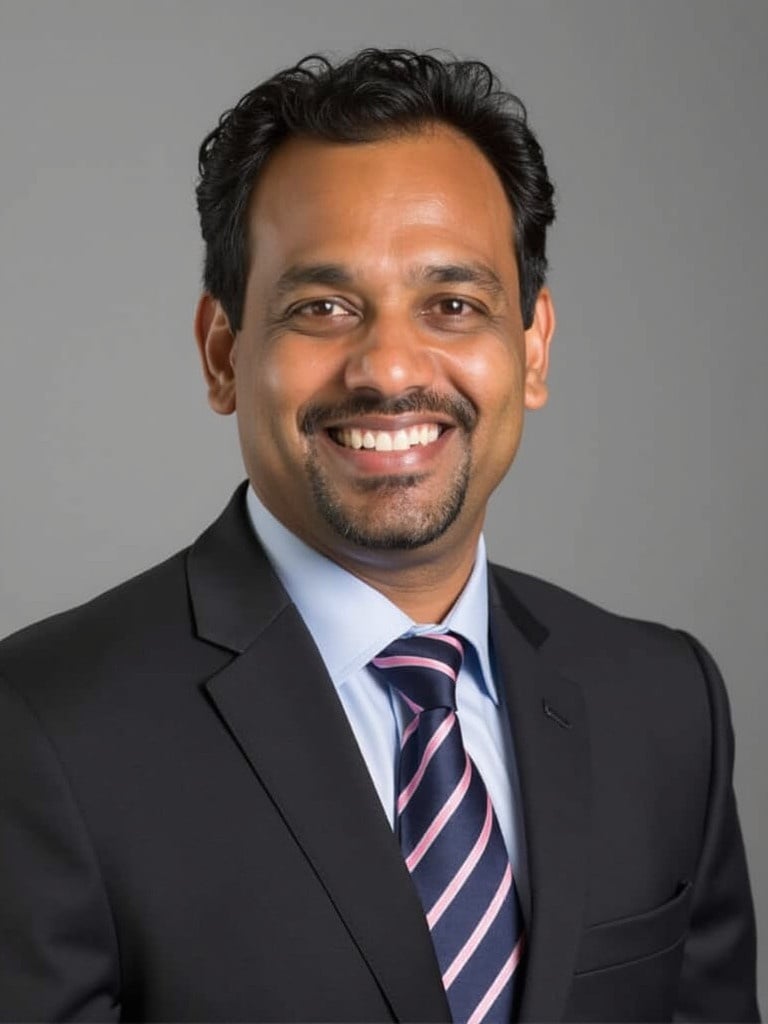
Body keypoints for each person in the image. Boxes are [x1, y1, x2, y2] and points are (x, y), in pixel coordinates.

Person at [0, 48, 759, 1023]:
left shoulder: (666, 707)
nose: (390, 366)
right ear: (224, 353)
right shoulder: (41, 734)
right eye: (323, 307)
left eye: (454, 305)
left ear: (531, 350)